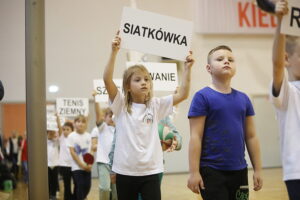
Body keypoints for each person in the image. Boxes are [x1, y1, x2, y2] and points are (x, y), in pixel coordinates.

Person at [103, 31, 194, 200]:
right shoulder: (120, 105)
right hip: (125, 171)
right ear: (128, 86)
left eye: (146, 79)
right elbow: (107, 80)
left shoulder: (156, 105)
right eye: (137, 80)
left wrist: (187, 69)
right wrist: (114, 52)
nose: (144, 82)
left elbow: (183, 94)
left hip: (152, 171)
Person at [187, 45, 263, 200]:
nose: (226, 62)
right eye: (220, 59)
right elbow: (195, 137)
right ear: (209, 68)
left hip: (240, 170)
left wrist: (258, 169)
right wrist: (194, 172)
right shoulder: (202, 97)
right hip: (211, 170)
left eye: (230, 59)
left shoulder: (244, 99)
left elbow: (251, 137)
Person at [270, 1, 300, 199]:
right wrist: (281, 22)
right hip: (297, 172)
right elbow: (276, 64)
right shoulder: (288, 91)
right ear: (287, 58)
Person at [91, 92, 117, 200]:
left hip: (117, 164)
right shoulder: (102, 128)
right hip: (103, 163)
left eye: (114, 116)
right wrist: (96, 99)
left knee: (116, 193)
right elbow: (98, 115)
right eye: (110, 116)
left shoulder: (120, 128)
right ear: (105, 117)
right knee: (105, 188)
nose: (112, 118)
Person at [67, 115, 92, 200]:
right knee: (80, 186)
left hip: (87, 167)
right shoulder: (71, 136)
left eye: (83, 122)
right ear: (74, 124)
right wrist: (81, 165)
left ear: (86, 124)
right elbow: (72, 152)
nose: (80, 124)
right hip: (77, 167)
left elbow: (90, 151)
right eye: (78, 121)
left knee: (87, 186)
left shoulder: (89, 136)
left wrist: (89, 164)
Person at [57, 115, 74, 200]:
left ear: (72, 130)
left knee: (77, 184)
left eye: (68, 129)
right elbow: (59, 126)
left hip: (74, 165)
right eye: (64, 129)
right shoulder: (62, 138)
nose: (65, 131)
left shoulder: (74, 138)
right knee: (67, 185)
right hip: (64, 166)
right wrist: (57, 117)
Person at [47, 126, 60, 200]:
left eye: (53, 132)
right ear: (47, 133)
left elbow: (60, 133)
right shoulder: (44, 141)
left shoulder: (56, 141)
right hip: (47, 165)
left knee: (54, 181)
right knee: (48, 181)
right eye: (50, 132)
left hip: (55, 164)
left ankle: (53, 195)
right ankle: (48, 195)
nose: (52, 134)